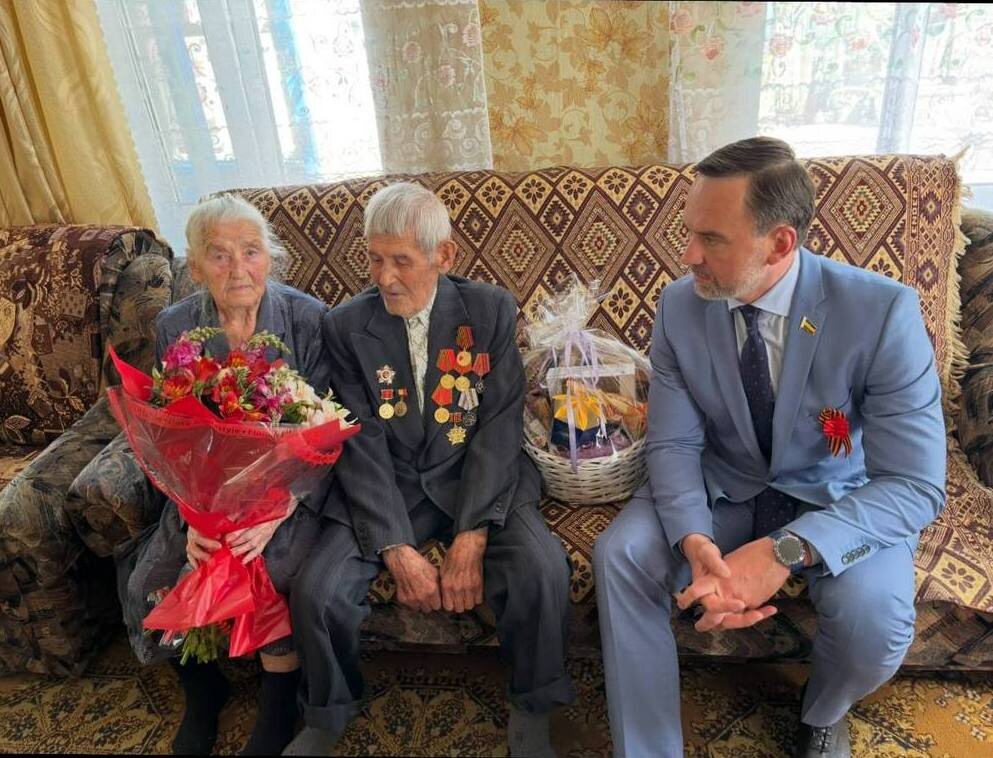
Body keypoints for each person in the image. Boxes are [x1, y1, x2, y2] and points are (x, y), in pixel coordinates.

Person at [593, 137, 946, 758]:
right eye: (688, 232)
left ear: (780, 243)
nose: (687, 255)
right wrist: (693, 539)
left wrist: (785, 550)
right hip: (725, 483)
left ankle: (822, 711)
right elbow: (674, 441)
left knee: (874, 621)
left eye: (712, 239)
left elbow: (915, 485)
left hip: (834, 494)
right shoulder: (679, 306)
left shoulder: (881, 312)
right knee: (621, 555)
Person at [284, 182, 574, 757]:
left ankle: (533, 704)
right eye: (374, 259)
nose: (385, 277)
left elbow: (498, 424)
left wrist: (472, 533)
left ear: (444, 255)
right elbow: (359, 439)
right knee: (317, 590)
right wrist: (394, 546)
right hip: (389, 483)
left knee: (542, 571)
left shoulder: (489, 310)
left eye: (401, 261)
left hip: (476, 476)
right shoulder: (345, 326)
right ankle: (327, 712)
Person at [120, 195, 332, 756]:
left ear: (270, 257)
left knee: (268, 568)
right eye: (219, 255)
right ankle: (202, 688)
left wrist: (276, 512)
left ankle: (280, 698)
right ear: (195, 267)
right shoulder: (175, 326)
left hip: (285, 496)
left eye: (251, 251)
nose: (239, 268)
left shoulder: (308, 320)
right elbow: (167, 437)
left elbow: (329, 429)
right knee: (150, 583)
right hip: (203, 498)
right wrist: (193, 516)